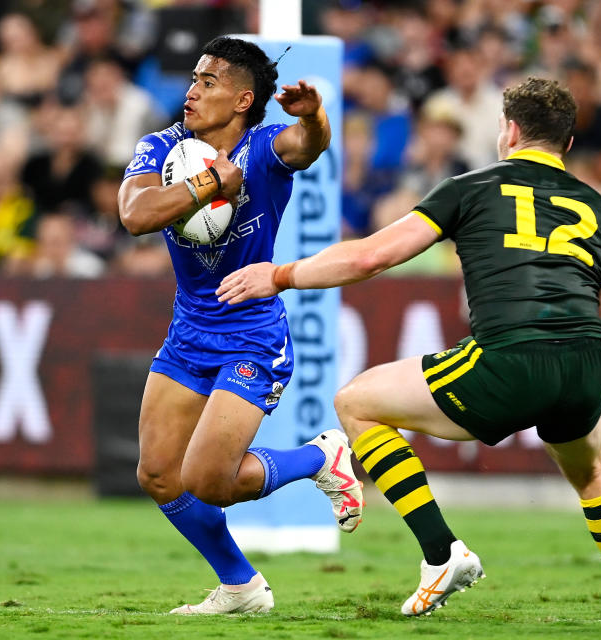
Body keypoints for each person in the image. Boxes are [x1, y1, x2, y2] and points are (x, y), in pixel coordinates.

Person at [217, 77, 601, 622]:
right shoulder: (598, 206)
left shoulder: (473, 186)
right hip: (586, 364)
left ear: (510, 130)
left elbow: (371, 258)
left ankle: (441, 553)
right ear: (568, 144)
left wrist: (282, 274)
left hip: (509, 358)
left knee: (357, 402)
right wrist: (585, 377)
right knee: (592, 471)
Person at [117, 36, 363, 615]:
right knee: (157, 473)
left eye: (208, 82)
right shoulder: (161, 146)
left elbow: (306, 147)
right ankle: (241, 586)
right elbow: (134, 216)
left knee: (208, 481)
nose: (192, 91)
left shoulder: (263, 148)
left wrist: (317, 116)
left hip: (252, 336)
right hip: (188, 334)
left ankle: (317, 459)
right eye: (194, 79)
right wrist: (208, 184)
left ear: (245, 99)